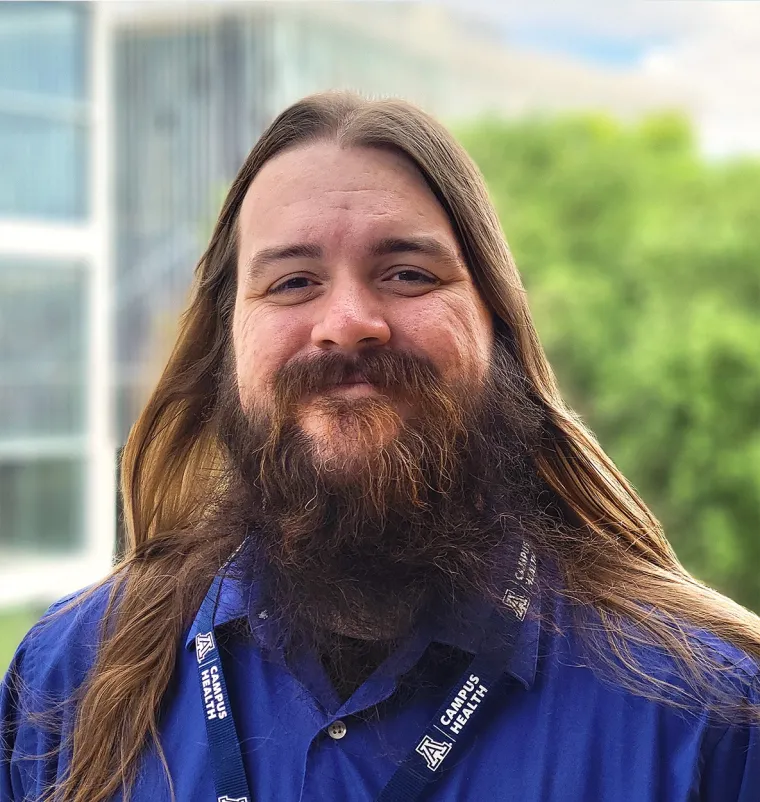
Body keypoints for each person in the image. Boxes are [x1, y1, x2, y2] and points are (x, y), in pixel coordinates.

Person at [2, 92, 759, 802]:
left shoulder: (712, 716)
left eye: (406, 272)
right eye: (293, 282)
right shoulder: (65, 681)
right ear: (224, 348)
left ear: (496, 324)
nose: (349, 321)